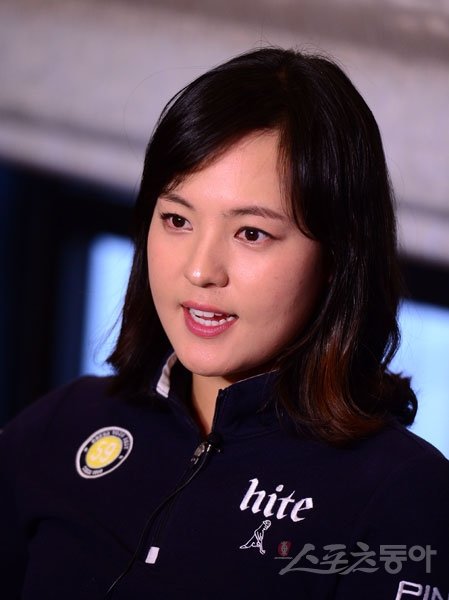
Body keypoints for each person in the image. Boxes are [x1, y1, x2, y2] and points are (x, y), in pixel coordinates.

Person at [1, 47, 448, 600]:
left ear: (339, 256)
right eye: (176, 219)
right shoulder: (65, 425)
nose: (199, 270)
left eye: (251, 233)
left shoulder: (402, 494)